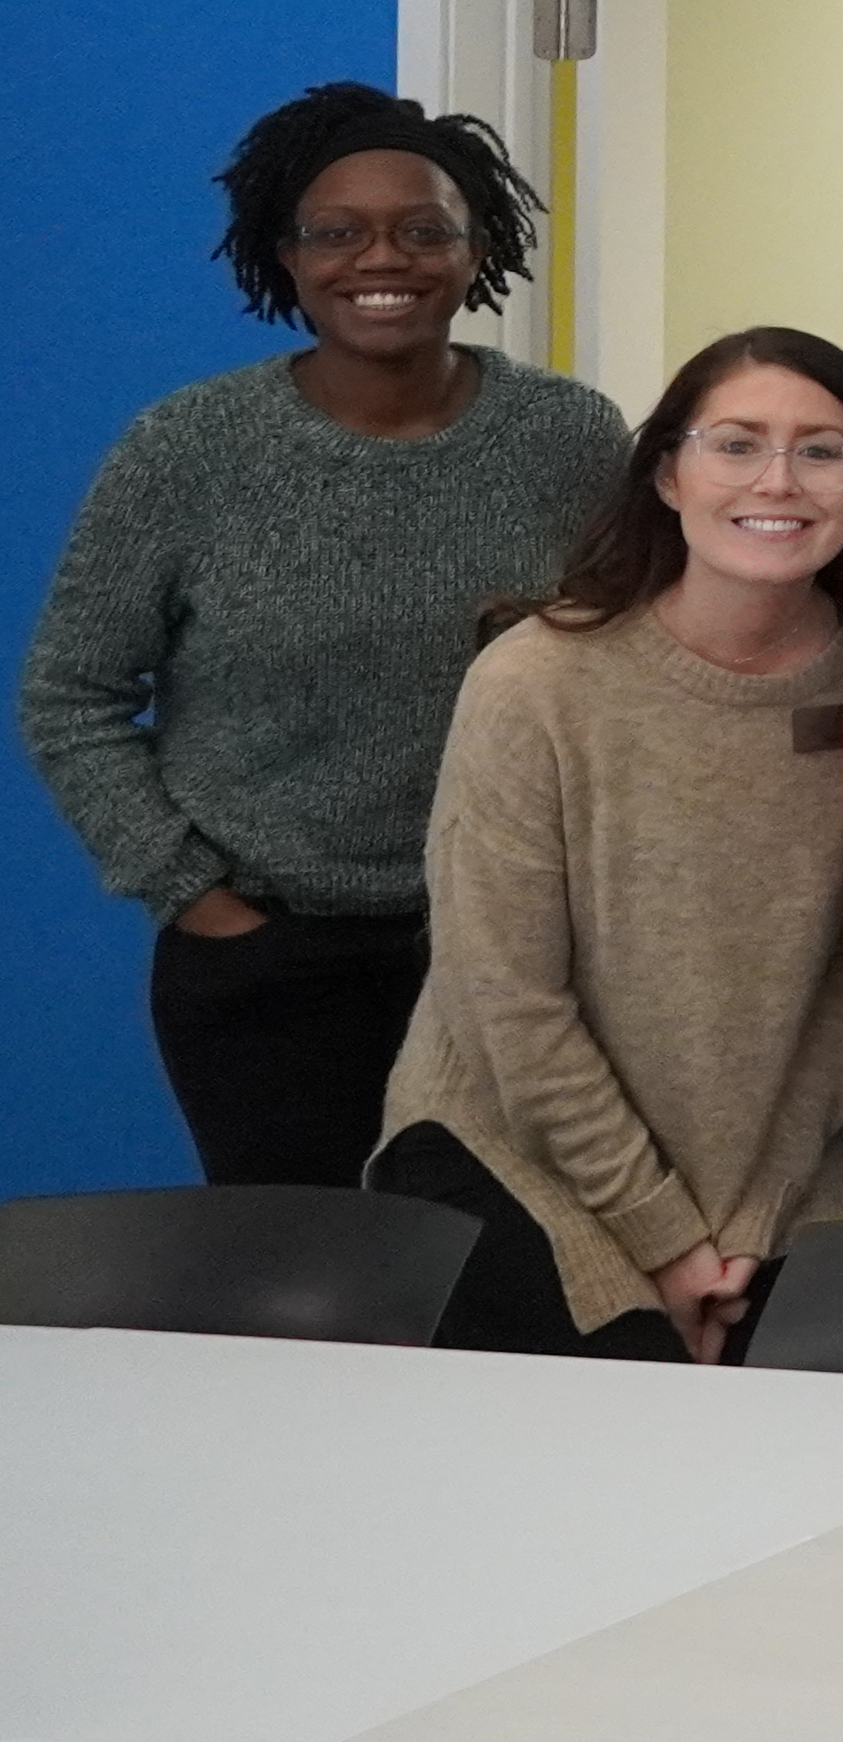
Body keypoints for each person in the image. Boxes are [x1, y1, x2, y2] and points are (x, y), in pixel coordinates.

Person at [24, 82, 629, 1188]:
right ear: (286, 256)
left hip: (506, 948)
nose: (379, 258)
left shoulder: (572, 437)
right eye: (337, 233)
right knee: (306, 1296)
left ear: (476, 245)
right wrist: (196, 899)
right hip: (266, 962)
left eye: (421, 229)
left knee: (505, 1284)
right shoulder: (189, 449)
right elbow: (69, 692)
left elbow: (627, 666)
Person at [366, 331, 843, 1362]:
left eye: (823, 450)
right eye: (737, 443)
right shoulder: (536, 682)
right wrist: (663, 1238)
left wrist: (754, 1220)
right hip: (520, 1146)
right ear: (667, 471)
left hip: (782, 1164)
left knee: (819, 1451)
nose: (779, 481)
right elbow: (507, 1004)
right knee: (618, 1414)